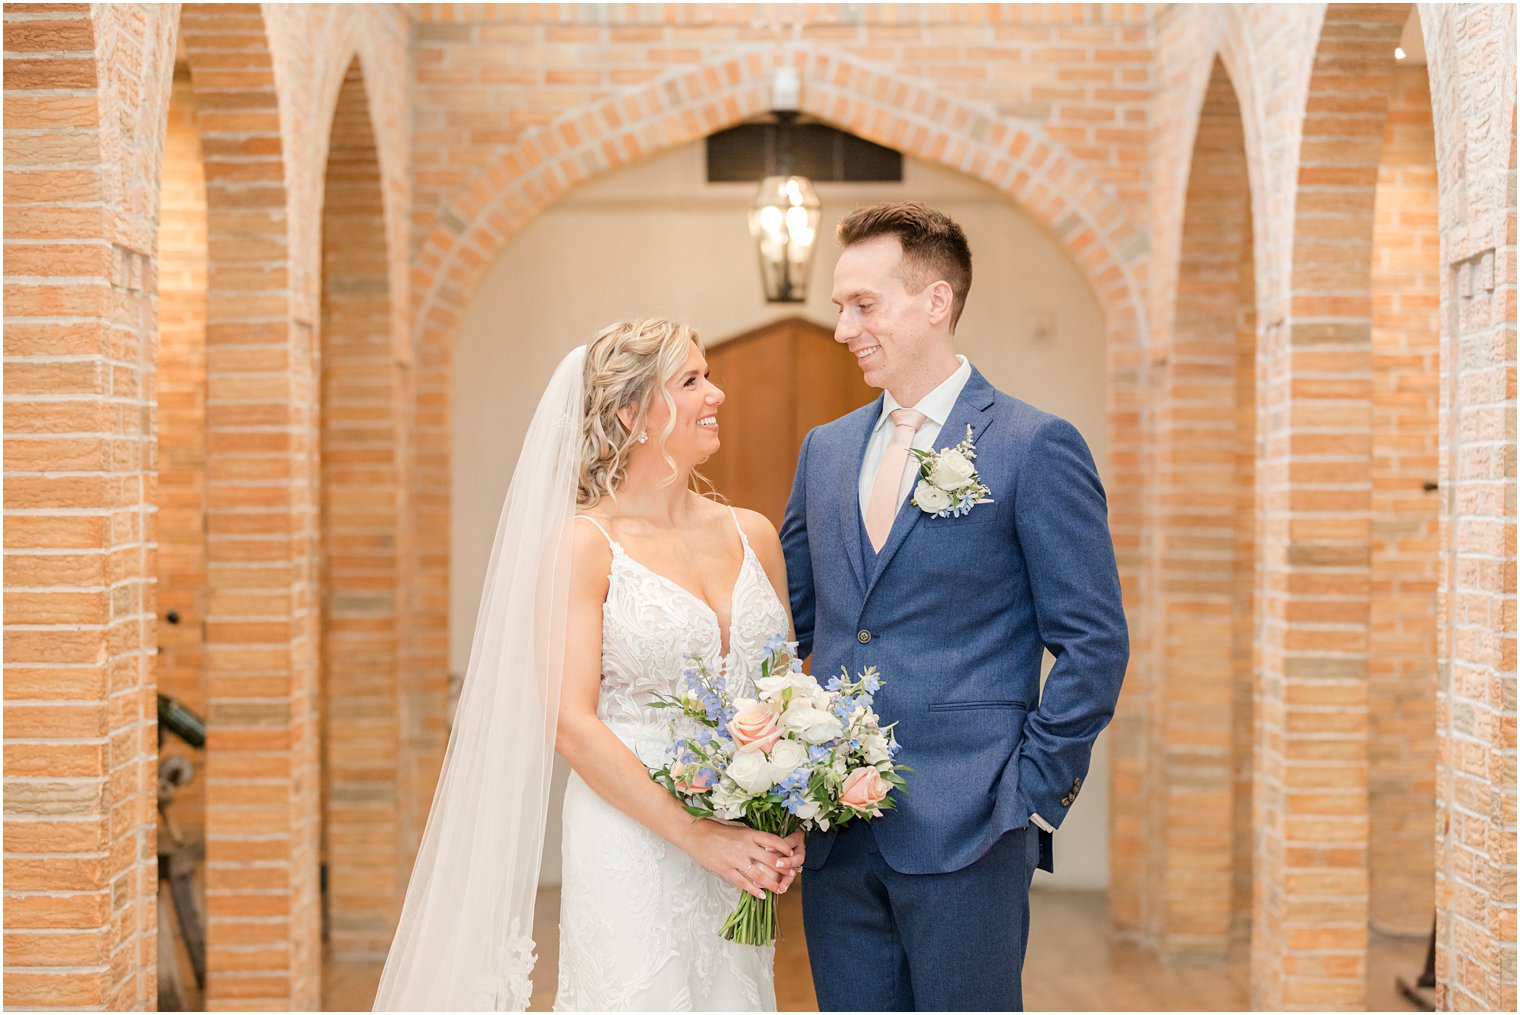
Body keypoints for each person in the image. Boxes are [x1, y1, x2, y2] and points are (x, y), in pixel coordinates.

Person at [375, 319, 801, 1012]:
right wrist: (696, 834)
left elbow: (786, 694)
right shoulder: (584, 545)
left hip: (738, 837)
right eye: (692, 380)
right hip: (633, 837)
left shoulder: (752, 533)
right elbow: (569, 723)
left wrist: (788, 814)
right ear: (633, 413)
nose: (716, 393)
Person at [780, 202, 1129, 1011]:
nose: (842, 327)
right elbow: (788, 622)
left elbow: (1094, 644)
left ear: (934, 302)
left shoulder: (1032, 446)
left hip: (973, 826)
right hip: (838, 838)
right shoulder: (825, 451)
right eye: (840, 305)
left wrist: (1029, 797)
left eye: (863, 304)